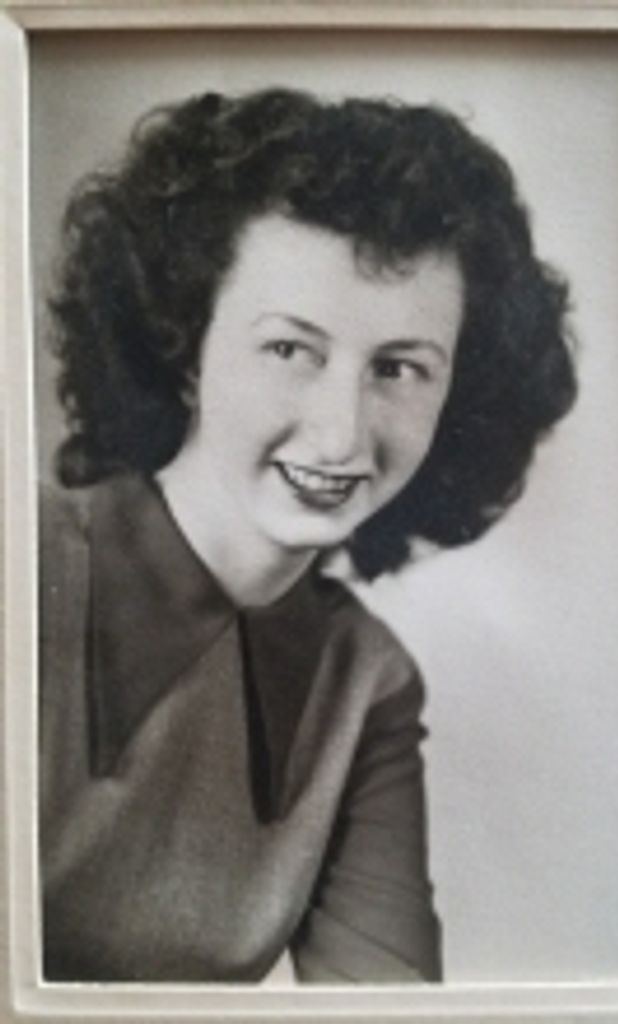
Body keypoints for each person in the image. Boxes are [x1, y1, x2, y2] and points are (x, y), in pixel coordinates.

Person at [40, 87, 577, 984]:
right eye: (290, 349)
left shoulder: (365, 681)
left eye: (397, 369)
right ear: (185, 348)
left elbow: (383, 1004)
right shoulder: (25, 569)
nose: (340, 435)